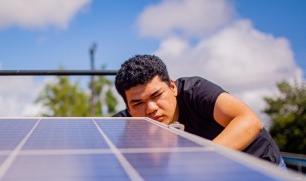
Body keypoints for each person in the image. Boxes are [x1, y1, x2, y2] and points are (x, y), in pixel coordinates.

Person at [113, 54, 286, 168]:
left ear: (172, 87)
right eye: (137, 103)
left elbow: (249, 121)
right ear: (128, 106)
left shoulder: (196, 91)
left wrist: (202, 159)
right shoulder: (125, 123)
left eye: (157, 95)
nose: (150, 108)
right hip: (218, 179)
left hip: (262, 165)